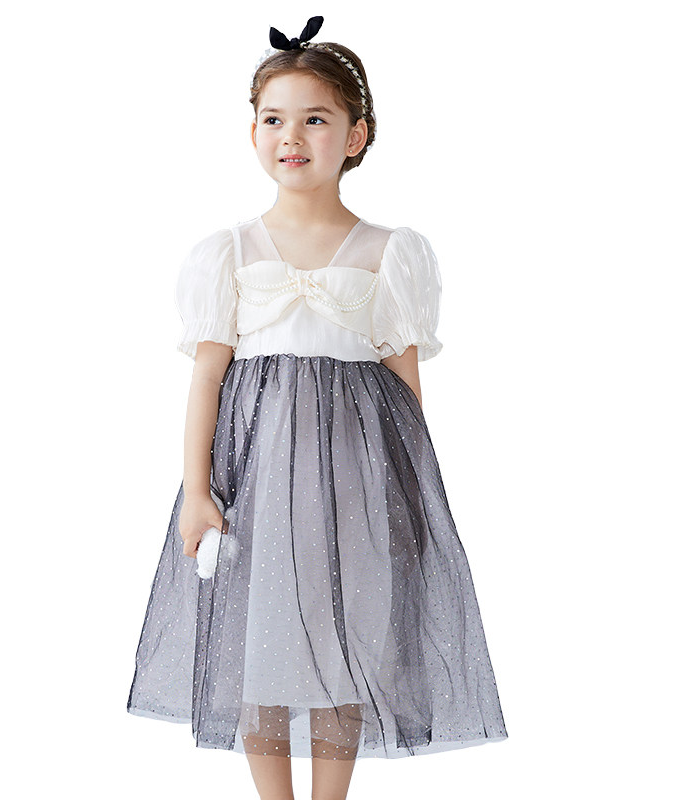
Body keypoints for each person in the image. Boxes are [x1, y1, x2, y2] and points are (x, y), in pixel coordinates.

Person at [127, 15, 508, 800]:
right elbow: (207, 378)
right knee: (259, 648)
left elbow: (404, 390)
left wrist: (410, 501)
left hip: (354, 489)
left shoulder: (389, 252)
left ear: (355, 135)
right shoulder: (229, 252)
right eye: (273, 119)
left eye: (315, 119)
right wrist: (197, 490)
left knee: (346, 647)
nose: (291, 136)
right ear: (253, 133)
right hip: (256, 483)